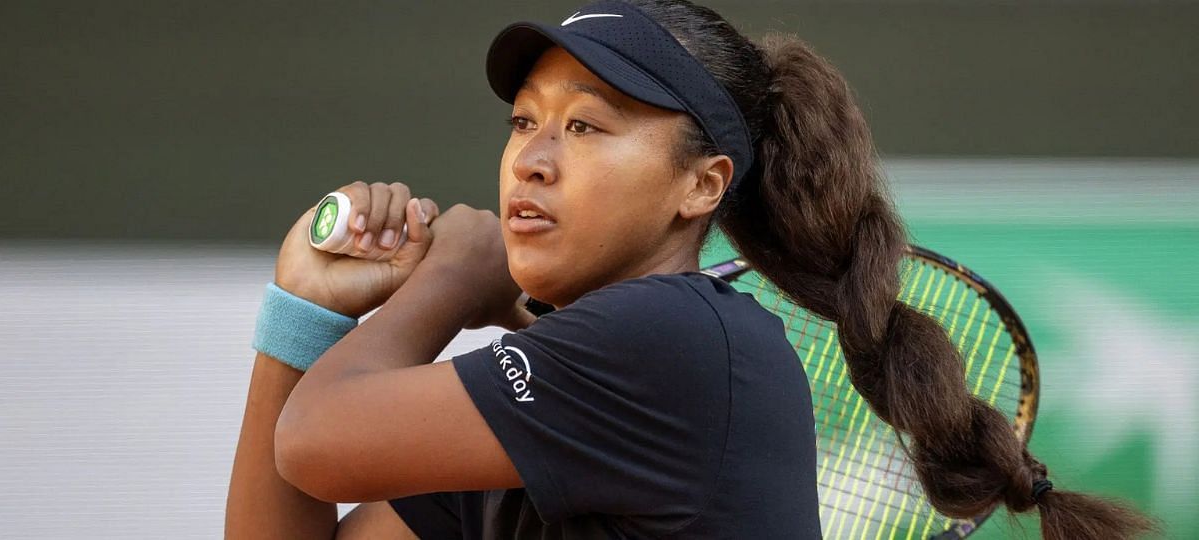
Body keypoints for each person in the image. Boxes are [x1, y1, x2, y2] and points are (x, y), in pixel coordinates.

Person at [226, 1, 1155, 538]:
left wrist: (452, 279)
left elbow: (314, 441)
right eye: (524, 122)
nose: (533, 159)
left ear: (702, 185)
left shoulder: (680, 338)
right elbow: (303, 462)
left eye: (585, 126)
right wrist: (301, 314)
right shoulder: (551, 401)